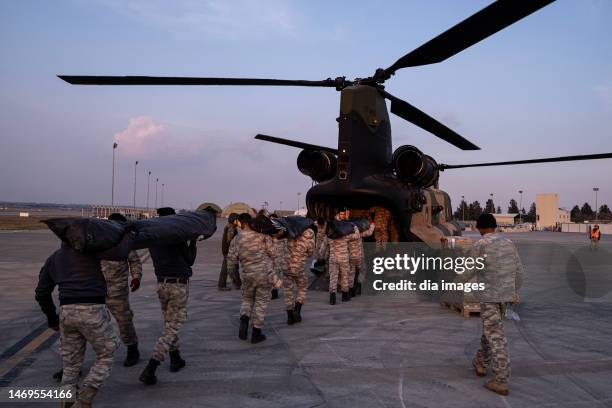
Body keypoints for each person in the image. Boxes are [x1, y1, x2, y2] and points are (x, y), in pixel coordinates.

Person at [35, 231, 135, 407]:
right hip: (93, 310)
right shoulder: (92, 252)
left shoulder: (54, 258)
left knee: (71, 363)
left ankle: (67, 402)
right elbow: (120, 253)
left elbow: (41, 292)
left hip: (67, 312)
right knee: (107, 352)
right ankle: (84, 398)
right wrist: (129, 236)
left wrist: (52, 317)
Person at [463, 213, 523, 396]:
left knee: (495, 335)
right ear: (495, 226)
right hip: (505, 296)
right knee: (490, 328)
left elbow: (468, 270)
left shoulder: (481, 245)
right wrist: (514, 291)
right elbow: (519, 271)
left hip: (489, 296)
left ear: (480, 228)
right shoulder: (509, 243)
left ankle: (501, 379)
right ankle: (481, 362)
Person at [139, 207, 197, 386]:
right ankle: (152, 366)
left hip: (161, 284)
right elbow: (189, 260)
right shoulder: (176, 236)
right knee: (173, 326)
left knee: (168, 322)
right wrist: (192, 242)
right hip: (177, 285)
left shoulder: (153, 237)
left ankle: (175, 358)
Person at [226, 214, 281, 343]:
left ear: (240, 223)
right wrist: (275, 239)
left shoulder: (237, 238)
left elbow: (231, 261)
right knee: (261, 303)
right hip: (263, 274)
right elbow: (274, 254)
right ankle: (256, 333)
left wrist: (234, 278)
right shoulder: (263, 236)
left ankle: (244, 321)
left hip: (247, 275)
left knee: (247, 300)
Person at [100, 213, 143, 368]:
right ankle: (73, 364)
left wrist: (136, 277)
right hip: (96, 292)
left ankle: (133, 350)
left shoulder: (124, 243)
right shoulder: (99, 241)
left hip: (118, 292)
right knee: (87, 326)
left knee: (125, 322)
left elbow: (135, 262)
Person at [327, 210, 360, 304]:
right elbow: (357, 236)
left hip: (333, 258)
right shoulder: (345, 236)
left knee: (333, 277)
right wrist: (355, 226)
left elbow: (324, 246)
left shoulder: (329, 236)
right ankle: (345, 296)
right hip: (343, 259)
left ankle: (332, 298)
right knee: (345, 276)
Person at [284, 225, 315, 324]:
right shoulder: (309, 234)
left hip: (287, 266)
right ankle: (297, 309)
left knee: (288, 291)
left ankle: (289, 316)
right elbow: (310, 252)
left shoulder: (289, 230)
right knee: (302, 287)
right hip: (299, 267)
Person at [347, 219, 375, 297]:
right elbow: (370, 232)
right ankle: (359, 284)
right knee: (363, 269)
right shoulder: (359, 234)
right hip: (360, 257)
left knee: (351, 273)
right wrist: (372, 224)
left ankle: (350, 290)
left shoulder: (348, 236)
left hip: (351, 257)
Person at [219, 213, 239, 290]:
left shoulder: (230, 227)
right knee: (226, 269)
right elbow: (229, 240)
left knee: (234, 267)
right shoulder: (231, 228)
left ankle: (237, 283)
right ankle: (221, 285)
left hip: (228, 251)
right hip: (229, 252)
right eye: (237, 220)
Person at [269, 213, 287, 300]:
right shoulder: (269, 231)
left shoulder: (282, 231)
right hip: (273, 256)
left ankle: (275, 290)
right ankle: (274, 289)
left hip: (279, 257)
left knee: (277, 274)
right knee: (274, 274)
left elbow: (286, 245)